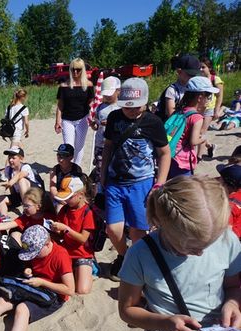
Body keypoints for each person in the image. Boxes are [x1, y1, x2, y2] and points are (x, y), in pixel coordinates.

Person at [118, 175, 241, 331]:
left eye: (208, 244)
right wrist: (166, 323)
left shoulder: (227, 239)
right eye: (193, 246)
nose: (201, 252)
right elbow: (127, 310)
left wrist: (233, 303)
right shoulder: (141, 254)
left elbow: (233, 286)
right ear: (163, 226)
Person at [100, 78, 170, 281]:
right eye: (126, 107)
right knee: (113, 229)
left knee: (139, 231)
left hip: (142, 184)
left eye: (135, 107)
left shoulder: (153, 122)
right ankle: (125, 255)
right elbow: (108, 146)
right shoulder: (114, 118)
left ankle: (133, 263)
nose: (130, 111)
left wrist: (160, 183)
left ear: (146, 102)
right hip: (115, 182)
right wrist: (103, 172)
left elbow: (164, 154)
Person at [51, 175, 95, 294]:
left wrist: (65, 229)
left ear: (80, 195)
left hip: (82, 254)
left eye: (69, 197)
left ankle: (92, 269)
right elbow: (61, 235)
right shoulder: (65, 210)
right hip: (66, 252)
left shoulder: (87, 212)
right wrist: (56, 231)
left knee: (82, 290)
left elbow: (83, 239)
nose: (66, 200)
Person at [167, 76, 219, 179]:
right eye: (208, 97)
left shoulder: (181, 111)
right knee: (183, 186)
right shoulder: (197, 117)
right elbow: (193, 141)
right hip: (183, 159)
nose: (209, 100)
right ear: (200, 98)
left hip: (171, 153)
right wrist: (203, 138)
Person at [54, 58, 95, 165]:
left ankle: (76, 167)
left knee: (79, 145)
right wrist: (57, 121)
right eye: (72, 69)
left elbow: (91, 103)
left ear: (83, 70)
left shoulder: (89, 85)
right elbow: (60, 106)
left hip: (83, 119)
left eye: (78, 69)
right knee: (69, 146)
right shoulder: (63, 86)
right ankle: (68, 167)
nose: (75, 72)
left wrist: (94, 116)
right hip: (67, 120)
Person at [89, 76, 121, 186]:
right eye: (105, 94)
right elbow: (97, 125)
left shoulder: (121, 107)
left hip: (116, 145)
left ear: (118, 91)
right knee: (100, 168)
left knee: (115, 169)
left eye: (109, 94)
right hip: (101, 144)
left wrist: (112, 123)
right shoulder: (100, 107)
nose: (107, 96)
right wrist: (94, 125)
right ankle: (100, 189)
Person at [0, 147, 42, 219]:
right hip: (21, 195)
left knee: (21, 180)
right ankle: (4, 218)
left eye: (13, 158)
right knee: (0, 199)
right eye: (9, 158)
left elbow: (20, 175)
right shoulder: (8, 170)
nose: (10, 160)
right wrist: (13, 197)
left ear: (21, 159)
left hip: (34, 193)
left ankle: (26, 208)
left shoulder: (26, 167)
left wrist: (11, 182)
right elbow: (12, 188)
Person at [155, 54, 201, 122]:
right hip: (169, 125)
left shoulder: (192, 89)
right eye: (190, 75)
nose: (193, 78)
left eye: (195, 75)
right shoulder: (172, 90)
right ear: (179, 72)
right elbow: (171, 115)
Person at [0, 89, 30, 182]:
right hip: (16, 132)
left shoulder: (9, 107)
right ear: (23, 97)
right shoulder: (24, 108)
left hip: (10, 132)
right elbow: (26, 122)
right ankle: (5, 174)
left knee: (20, 148)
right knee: (12, 152)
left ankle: (22, 164)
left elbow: (5, 120)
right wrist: (27, 130)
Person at [197, 57, 224, 160]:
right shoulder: (199, 79)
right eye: (199, 67)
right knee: (198, 131)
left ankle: (199, 156)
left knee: (201, 132)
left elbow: (220, 96)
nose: (201, 70)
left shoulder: (215, 79)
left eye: (203, 67)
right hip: (199, 108)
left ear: (209, 68)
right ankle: (210, 146)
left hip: (209, 109)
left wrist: (217, 110)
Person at [49, 144, 83, 210]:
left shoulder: (76, 169)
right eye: (59, 155)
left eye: (64, 156)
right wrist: (59, 198)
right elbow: (52, 187)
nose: (60, 159)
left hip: (72, 195)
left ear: (71, 157)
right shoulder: (55, 170)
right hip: (59, 196)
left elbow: (79, 187)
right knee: (60, 208)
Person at [217, 163, 241, 239]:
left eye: (221, 178)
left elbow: (227, 236)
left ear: (227, 184)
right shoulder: (238, 192)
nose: (218, 179)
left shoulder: (227, 208)